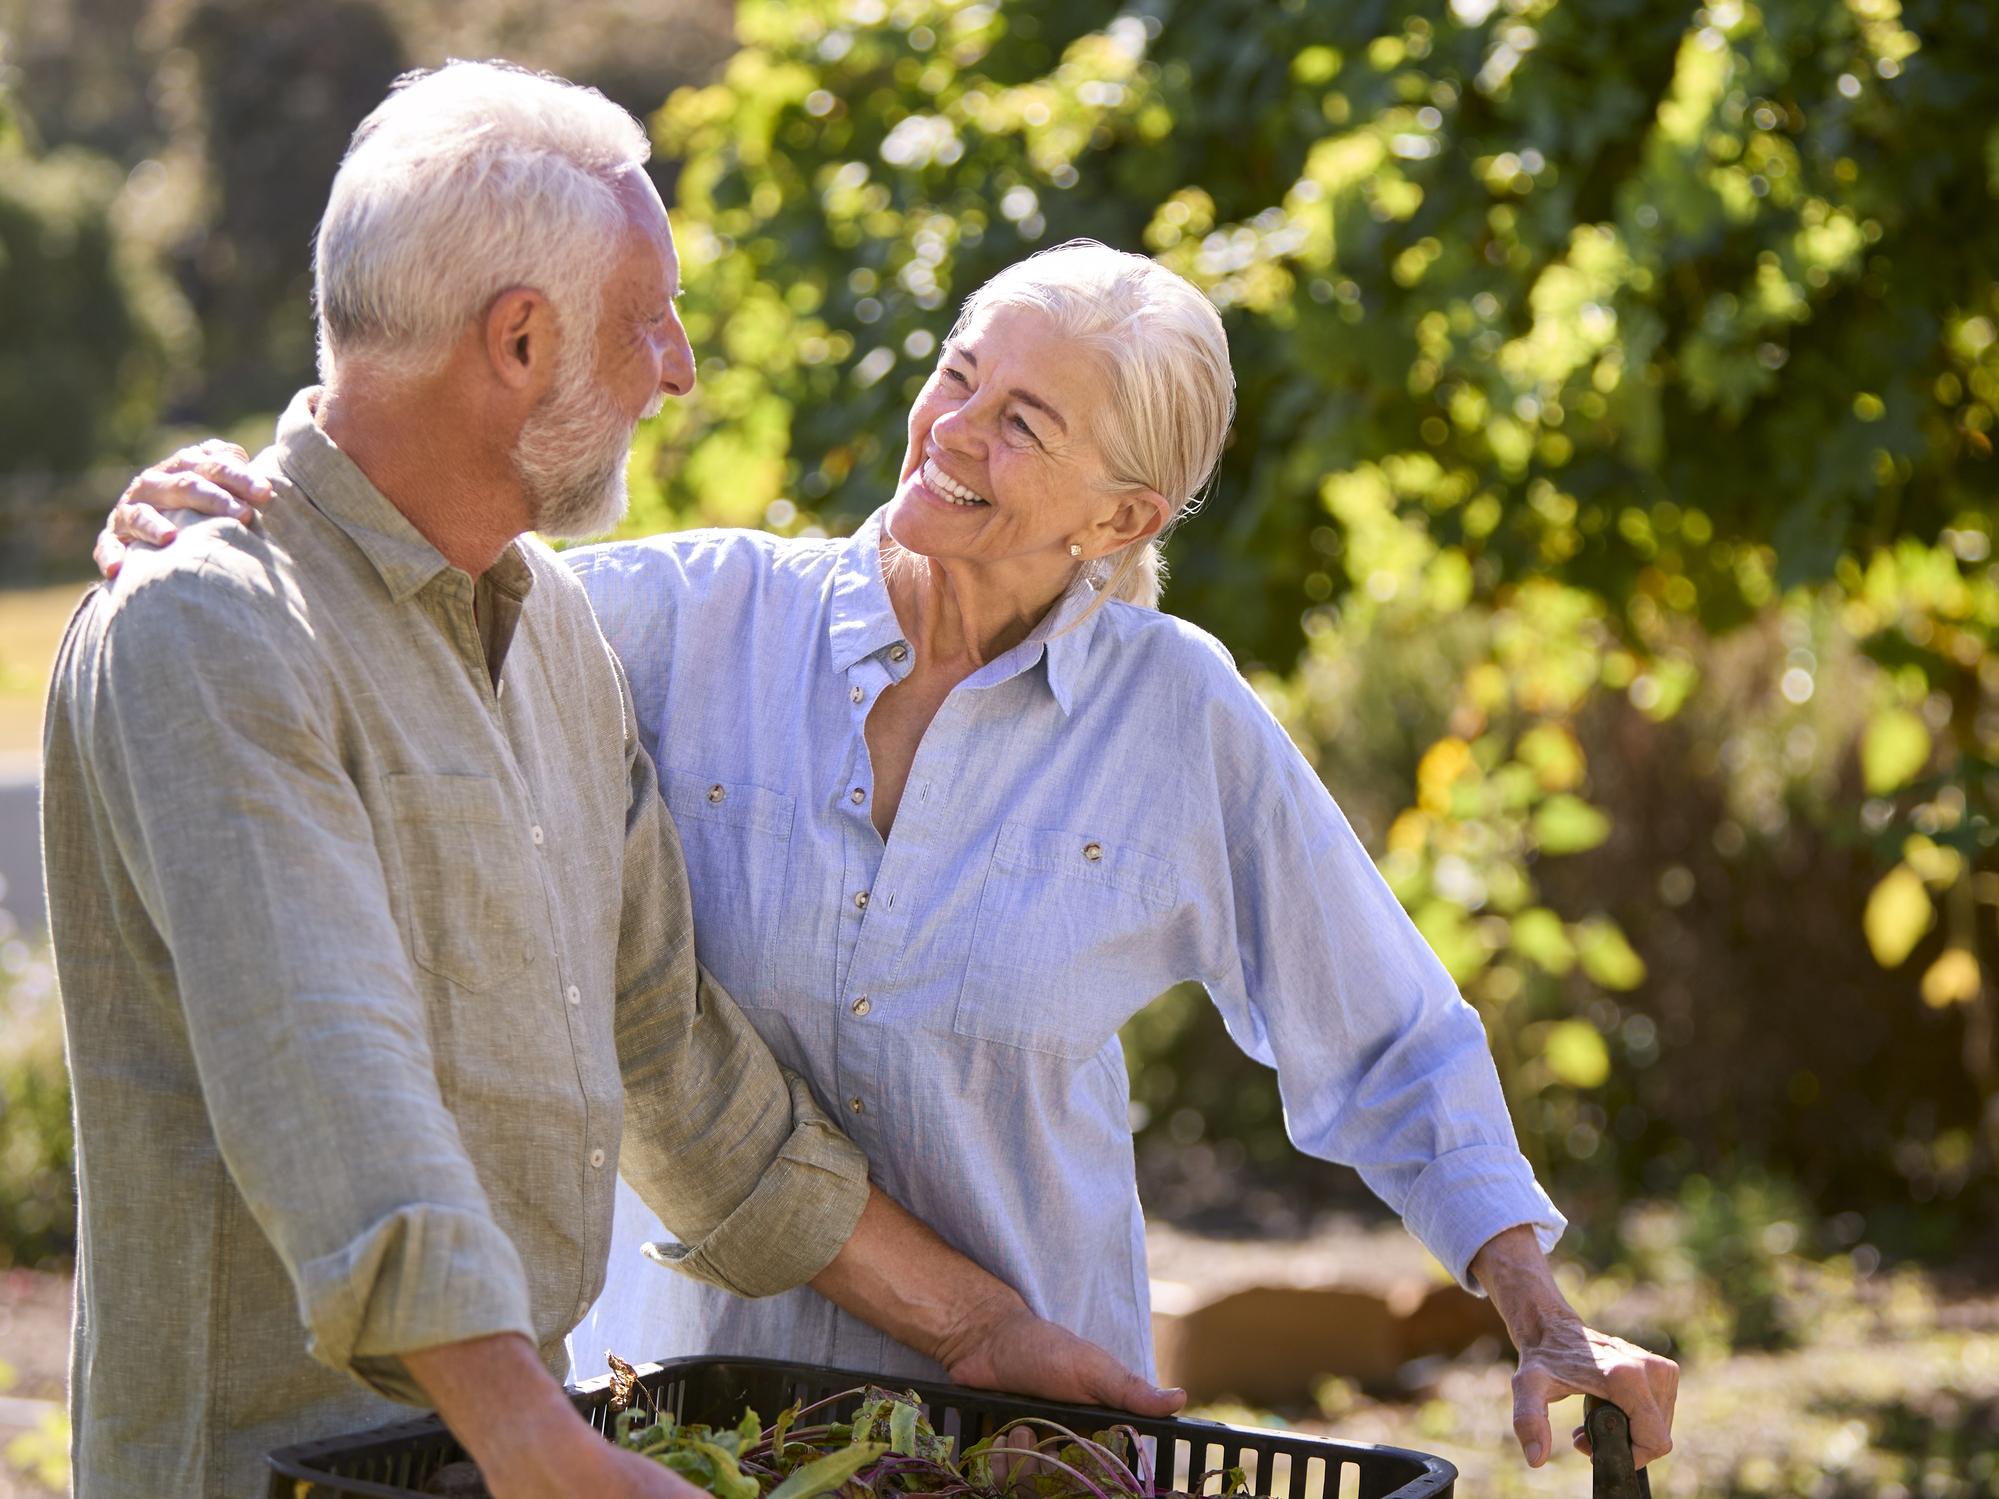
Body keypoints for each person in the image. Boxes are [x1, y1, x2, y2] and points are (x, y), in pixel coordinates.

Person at [105, 202, 1679, 1481]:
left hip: (1022, 1435)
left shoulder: (1176, 723)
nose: (951, 432)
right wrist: (238, 518)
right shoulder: (671, 622)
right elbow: (406, 589)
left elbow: (1393, 1039)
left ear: (1122, 519)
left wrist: (1538, 1313)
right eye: (957, 376)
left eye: (1023, 423)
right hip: (696, 1419)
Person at [48, 63, 1173, 1499]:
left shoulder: (554, 636)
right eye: (652, 323)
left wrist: (984, 1327)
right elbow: (324, 1072)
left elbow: (677, 1069)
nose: (683, 367)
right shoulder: (212, 627)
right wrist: (536, 1443)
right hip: (268, 1473)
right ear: (518, 341)